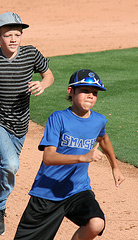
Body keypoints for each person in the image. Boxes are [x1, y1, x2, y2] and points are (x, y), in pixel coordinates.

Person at [0, 12, 54, 240]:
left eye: (17, 34)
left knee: (9, 167)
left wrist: (43, 84)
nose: (14, 39)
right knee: (10, 162)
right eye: (8, 35)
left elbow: (49, 75)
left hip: (20, 123)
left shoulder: (31, 54)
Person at [14, 69, 125, 240]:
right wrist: (83, 157)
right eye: (85, 91)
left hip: (77, 190)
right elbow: (49, 158)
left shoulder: (98, 120)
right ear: (71, 92)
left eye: (94, 93)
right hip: (47, 192)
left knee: (96, 223)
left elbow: (103, 138)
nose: (90, 96)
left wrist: (115, 167)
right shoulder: (58, 118)